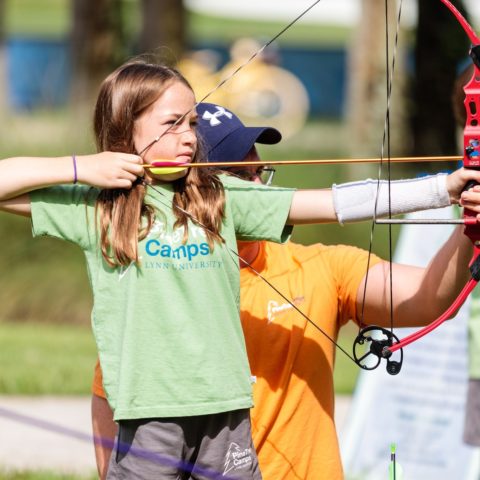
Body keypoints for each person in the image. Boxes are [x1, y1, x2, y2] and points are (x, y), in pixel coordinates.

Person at [83, 97, 480, 479]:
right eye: (242, 176)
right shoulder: (154, 289)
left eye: (261, 172)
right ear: (194, 188)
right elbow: (111, 406)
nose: (260, 186)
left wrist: (469, 227)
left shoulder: (322, 267)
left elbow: (427, 298)